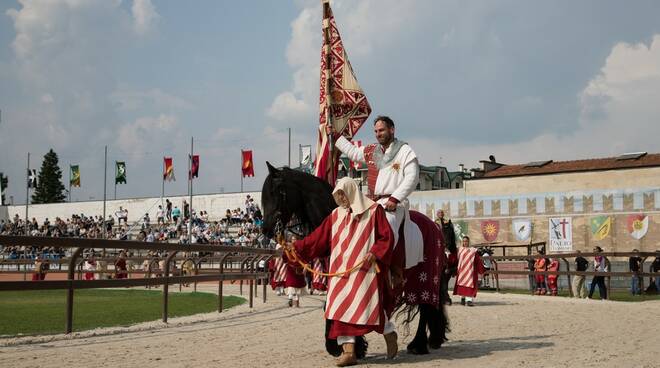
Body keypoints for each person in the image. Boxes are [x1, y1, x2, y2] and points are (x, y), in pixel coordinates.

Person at [284, 177, 398, 365]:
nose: (341, 198)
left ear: (351, 191)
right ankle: (349, 352)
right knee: (339, 309)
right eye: (338, 195)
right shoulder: (336, 215)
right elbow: (317, 239)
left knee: (369, 308)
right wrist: (297, 247)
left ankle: (389, 333)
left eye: (343, 194)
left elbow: (386, 237)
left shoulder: (374, 210)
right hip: (339, 273)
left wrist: (375, 253)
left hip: (364, 271)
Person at [331, 115, 424, 278]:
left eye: (381, 130)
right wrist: (336, 136)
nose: (378, 134)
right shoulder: (372, 151)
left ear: (392, 130)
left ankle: (391, 270)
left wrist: (395, 198)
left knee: (387, 228)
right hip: (372, 202)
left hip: (394, 204)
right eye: (375, 131)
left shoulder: (404, 151)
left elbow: (412, 177)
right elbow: (352, 152)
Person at [454, 236, 485, 306]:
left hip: (470, 271)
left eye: (466, 241)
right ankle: (462, 298)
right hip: (461, 271)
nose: (465, 242)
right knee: (462, 285)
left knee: (469, 286)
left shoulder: (473, 250)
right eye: (464, 241)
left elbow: (477, 260)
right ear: (462, 242)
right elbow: (455, 260)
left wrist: (481, 269)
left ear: (469, 242)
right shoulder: (459, 250)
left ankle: (469, 300)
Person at [436, 210, 457, 304]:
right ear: (437, 214)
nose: (441, 214)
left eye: (442, 213)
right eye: (439, 213)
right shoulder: (435, 222)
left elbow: (451, 233)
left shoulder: (446, 222)